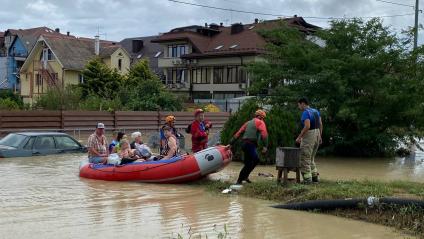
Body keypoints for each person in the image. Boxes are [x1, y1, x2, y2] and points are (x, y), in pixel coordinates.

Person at [227, 110, 268, 185]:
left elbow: (238, 133)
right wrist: (265, 146)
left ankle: (245, 177)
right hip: (250, 145)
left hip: (244, 144)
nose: (263, 119)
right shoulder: (260, 122)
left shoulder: (248, 123)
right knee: (255, 160)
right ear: (259, 116)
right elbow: (264, 134)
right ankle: (239, 180)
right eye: (262, 118)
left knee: (248, 163)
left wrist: (231, 143)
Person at [296, 97, 323, 184]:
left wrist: (299, 137)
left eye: (299, 105)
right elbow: (321, 124)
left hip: (309, 136)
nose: (298, 107)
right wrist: (320, 136)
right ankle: (315, 178)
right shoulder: (315, 111)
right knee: (311, 159)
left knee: (304, 158)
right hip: (317, 134)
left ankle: (307, 180)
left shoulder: (305, 113)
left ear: (303, 103)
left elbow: (307, 126)